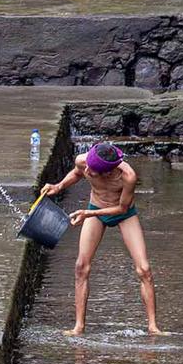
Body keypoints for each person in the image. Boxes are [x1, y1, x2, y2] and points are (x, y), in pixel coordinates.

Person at [40, 142, 163, 336]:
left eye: (93, 170)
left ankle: (153, 326)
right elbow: (77, 173)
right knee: (81, 266)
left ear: (108, 172)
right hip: (95, 209)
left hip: (123, 213)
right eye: (87, 165)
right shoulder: (83, 161)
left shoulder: (128, 177)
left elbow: (122, 208)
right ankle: (78, 326)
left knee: (144, 269)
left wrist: (87, 214)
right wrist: (59, 186)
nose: (87, 170)